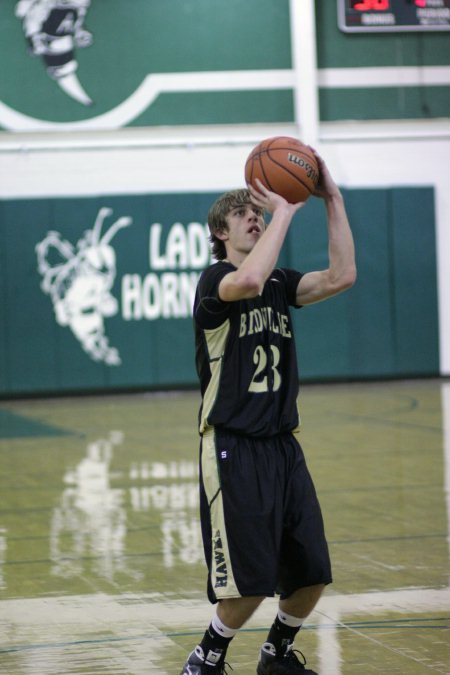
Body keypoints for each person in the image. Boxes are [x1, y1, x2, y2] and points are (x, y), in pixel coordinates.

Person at [180, 148, 356, 674]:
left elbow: (343, 275)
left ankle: (276, 655)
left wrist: (333, 198)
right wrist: (284, 210)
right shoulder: (216, 284)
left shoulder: (281, 284)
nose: (255, 216)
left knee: (311, 573)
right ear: (220, 233)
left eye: (259, 212)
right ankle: (206, 658)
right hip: (233, 446)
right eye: (244, 214)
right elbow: (249, 281)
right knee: (248, 580)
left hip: (283, 444)